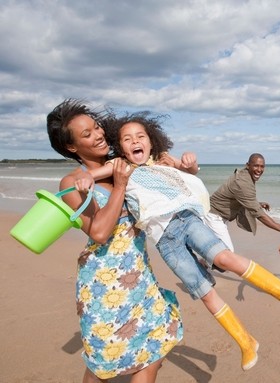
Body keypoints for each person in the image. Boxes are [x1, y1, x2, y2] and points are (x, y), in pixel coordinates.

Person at [76, 112, 280, 371]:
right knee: (205, 293)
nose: (135, 141)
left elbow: (189, 173)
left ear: (151, 141)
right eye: (127, 139)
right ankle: (246, 342)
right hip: (165, 241)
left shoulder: (162, 161)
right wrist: (86, 179)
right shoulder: (122, 167)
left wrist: (189, 162)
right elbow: (96, 173)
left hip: (186, 219)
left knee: (224, 258)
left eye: (140, 136)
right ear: (121, 148)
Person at [46, 99, 183, 383]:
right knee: (103, 363)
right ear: (72, 147)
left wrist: (181, 168)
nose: (97, 135)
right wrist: (120, 185)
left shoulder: (125, 165)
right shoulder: (72, 182)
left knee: (155, 345)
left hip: (139, 274)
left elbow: (170, 192)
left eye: (96, 127)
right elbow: (98, 232)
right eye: (86, 134)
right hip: (103, 282)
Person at [204, 153, 280, 252]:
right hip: (214, 217)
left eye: (262, 166)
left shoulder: (246, 175)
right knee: (227, 253)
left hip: (217, 215)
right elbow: (259, 214)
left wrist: (257, 203)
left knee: (216, 252)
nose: (259, 170)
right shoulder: (243, 182)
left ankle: (203, 264)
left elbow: (241, 198)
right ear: (248, 165)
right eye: (256, 165)